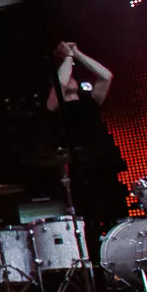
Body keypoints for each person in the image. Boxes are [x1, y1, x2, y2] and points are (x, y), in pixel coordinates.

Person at [45, 41, 128, 249]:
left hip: (104, 164)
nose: (72, 78)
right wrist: (67, 58)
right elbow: (60, 83)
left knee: (117, 216)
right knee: (90, 219)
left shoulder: (90, 102)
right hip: (81, 169)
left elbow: (106, 76)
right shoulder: (55, 107)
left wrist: (77, 53)